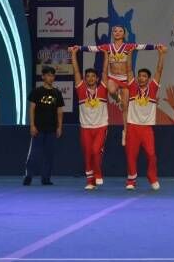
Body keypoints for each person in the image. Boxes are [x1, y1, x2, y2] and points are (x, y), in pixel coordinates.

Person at [75, 26, 161, 105]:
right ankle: (117, 99)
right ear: (112, 34)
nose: (117, 33)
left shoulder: (128, 46)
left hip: (125, 78)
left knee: (125, 106)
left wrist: (156, 46)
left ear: (124, 34)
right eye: (115, 31)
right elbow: (93, 48)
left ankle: (124, 111)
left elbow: (143, 46)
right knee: (112, 91)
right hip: (113, 77)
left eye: (120, 31)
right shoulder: (107, 47)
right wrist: (78, 48)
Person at [68, 45, 114, 190]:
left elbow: (105, 71)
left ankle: (98, 173)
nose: (90, 78)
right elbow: (76, 71)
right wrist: (73, 54)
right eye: (87, 76)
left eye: (93, 76)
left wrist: (106, 54)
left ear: (97, 78)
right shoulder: (81, 90)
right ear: (85, 79)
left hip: (101, 127)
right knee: (88, 154)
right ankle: (90, 181)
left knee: (95, 151)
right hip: (85, 128)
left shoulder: (103, 89)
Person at [123, 46, 168, 191]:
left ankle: (152, 176)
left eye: (144, 76)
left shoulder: (153, 89)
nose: (141, 78)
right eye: (139, 76)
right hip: (132, 126)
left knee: (151, 155)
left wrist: (161, 54)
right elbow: (128, 70)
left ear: (148, 79)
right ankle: (131, 180)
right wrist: (129, 54)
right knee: (131, 156)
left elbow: (159, 71)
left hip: (147, 128)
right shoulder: (133, 88)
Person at [23, 65, 64, 186]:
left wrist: (59, 127)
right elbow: (32, 109)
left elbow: (60, 111)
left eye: (52, 75)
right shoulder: (37, 91)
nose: (51, 78)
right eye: (48, 75)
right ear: (43, 77)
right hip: (38, 128)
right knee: (34, 154)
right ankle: (28, 176)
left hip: (52, 129)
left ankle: (46, 178)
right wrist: (32, 125)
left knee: (49, 154)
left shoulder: (57, 93)